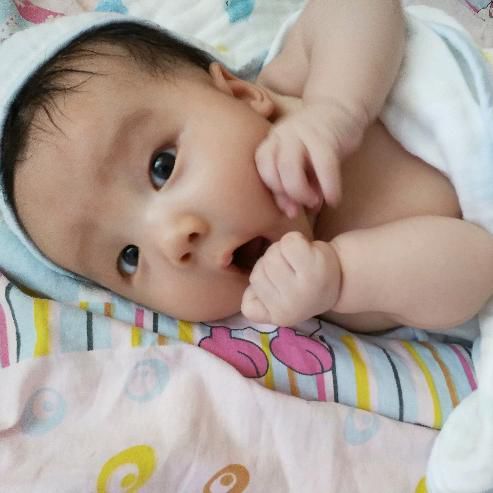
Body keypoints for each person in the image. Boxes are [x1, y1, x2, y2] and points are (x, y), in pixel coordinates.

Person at [0, 0, 492, 332]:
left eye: (162, 167)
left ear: (239, 93)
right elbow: (478, 266)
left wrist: (336, 108)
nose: (171, 240)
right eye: (129, 257)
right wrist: (343, 278)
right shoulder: (325, 297)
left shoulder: (292, 86)